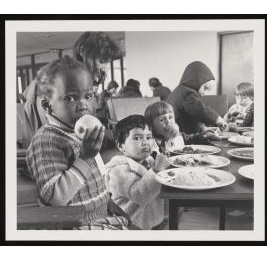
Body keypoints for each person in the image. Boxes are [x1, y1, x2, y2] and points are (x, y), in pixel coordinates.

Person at [26, 56, 129, 230]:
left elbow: (96, 179)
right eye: (70, 98)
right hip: (74, 225)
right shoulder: (46, 140)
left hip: (101, 216)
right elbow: (55, 197)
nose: (83, 105)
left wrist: (108, 202)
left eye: (88, 96)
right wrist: (86, 158)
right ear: (47, 105)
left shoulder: (80, 133)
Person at [21, 31, 122, 148]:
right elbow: (56, 130)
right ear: (83, 52)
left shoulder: (78, 84)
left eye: (108, 62)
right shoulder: (54, 81)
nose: (105, 69)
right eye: (102, 61)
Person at [105, 115, 170, 230]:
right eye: (137, 138)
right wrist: (156, 170)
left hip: (154, 221)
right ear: (121, 146)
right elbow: (140, 195)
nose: (145, 142)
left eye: (149, 137)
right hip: (131, 226)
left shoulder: (149, 161)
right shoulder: (118, 171)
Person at [167, 61, 227, 134]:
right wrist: (218, 119)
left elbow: (190, 117)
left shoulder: (180, 90)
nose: (204, 93)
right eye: (205, 88)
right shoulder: (187, 93)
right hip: (183, 137)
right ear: (196, 81)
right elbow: (200, 110)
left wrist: (203, 128)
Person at [144, 101, 218, 153]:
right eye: (161, 120)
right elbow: (160, 155)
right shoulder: (153, 142)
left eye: (170, 117)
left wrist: (203, 135)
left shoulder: (179, 135)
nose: (168, 122)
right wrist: (167, 139)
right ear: (151, 126)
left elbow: (190, 139)